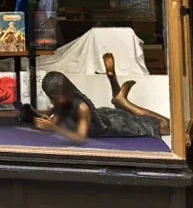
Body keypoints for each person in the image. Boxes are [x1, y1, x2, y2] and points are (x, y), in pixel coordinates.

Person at [29, 53, 164, 145]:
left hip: (115, 125)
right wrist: (42, 122)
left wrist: (54, 128)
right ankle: (120, 98)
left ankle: (124, 102)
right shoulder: (63, 104)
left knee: (165, 125)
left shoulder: (82, 108)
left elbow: (80, 138)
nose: (52, 102)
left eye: (54, 98)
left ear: (64, 92)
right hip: (104, 115)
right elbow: (54, 122)